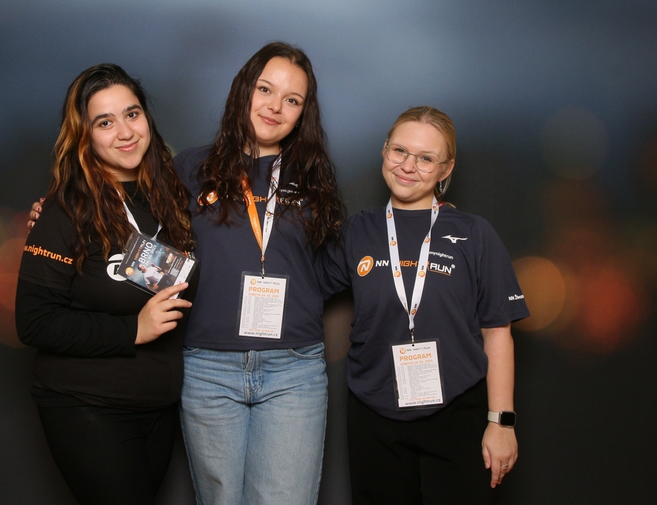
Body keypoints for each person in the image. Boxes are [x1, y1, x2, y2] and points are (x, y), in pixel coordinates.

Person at [316, 106, 529, 505]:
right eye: (400, 151)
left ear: (446, 169)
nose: (408, 166)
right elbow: (303, 290)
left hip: (457, 413)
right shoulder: (357, 231)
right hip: (373, 413)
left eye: (426, 158)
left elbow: (498, 332)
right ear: (385, 150)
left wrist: (501, 422)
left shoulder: (474, 234)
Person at [16, 63, 197, 505]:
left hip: (158, 407)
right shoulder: (66, 209)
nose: (125, 132)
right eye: (105, 122)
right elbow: (33, 321)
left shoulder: (175, 199)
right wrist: (132, 330)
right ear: (85, 136)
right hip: (87, 405)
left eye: (132, 114)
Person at [173, 42, 344, 504]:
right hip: (207, 369)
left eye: (292, 99)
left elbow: (330, 268)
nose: (275, 106)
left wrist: (422, 220)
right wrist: (56, 214)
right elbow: (134, 227)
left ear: (303, 113)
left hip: (293, 371)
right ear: (244, 89)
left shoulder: (314, 175)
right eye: (266, 89)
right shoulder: (190, 168)